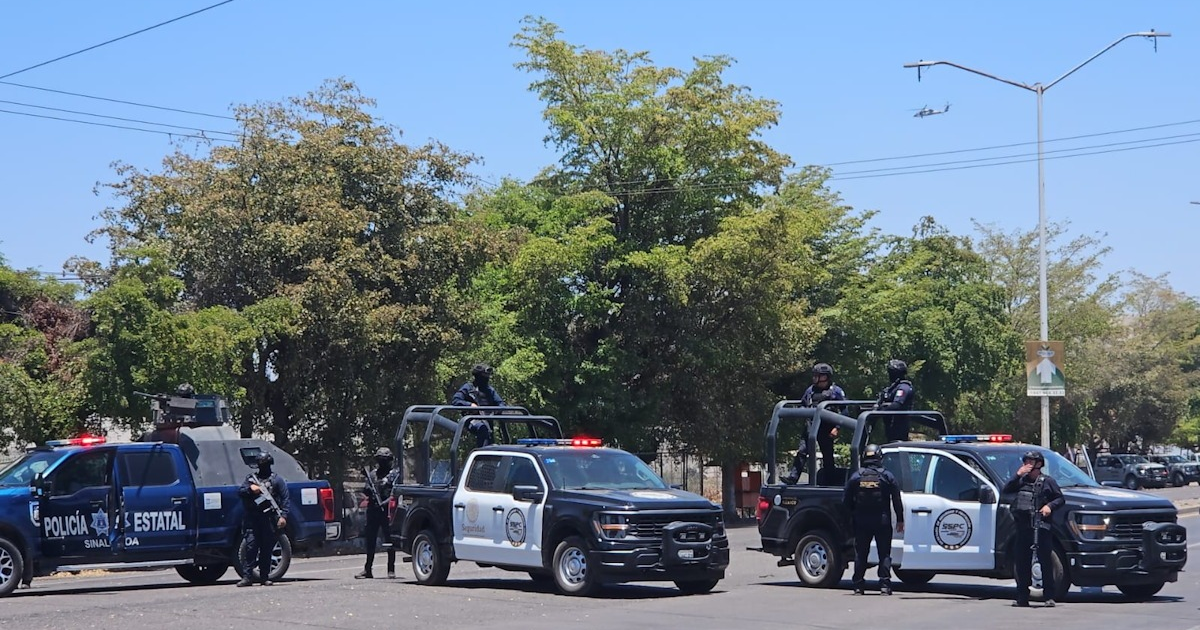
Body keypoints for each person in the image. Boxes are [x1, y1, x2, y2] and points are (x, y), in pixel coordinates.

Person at [1003, 450, 1065, 608]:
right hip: (1023, 527)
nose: (1027, 464)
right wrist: (1017, 475)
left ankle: (1049, 596)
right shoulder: (1021, 481)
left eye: (1031, 461)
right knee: (1022, 562)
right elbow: (1006, 490)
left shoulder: (1047, 481)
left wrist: (1049, 506)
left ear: (1038, 464)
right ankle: (1022, 597)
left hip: (1041, 527)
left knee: (1045, 560)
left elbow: (1060, 498)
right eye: (1026, 461)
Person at [843, 443, 904, 595]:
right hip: (882, 521)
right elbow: (897, 500)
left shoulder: (856, 476)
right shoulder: (887, 476)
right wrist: (900, 520)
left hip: (861, 521)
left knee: (861, 553)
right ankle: (884, 585)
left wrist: (851, 517)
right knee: (884, 553)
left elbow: (846, 501)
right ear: (880, 457)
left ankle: (858, 585)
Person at [237, 452, 289, 587]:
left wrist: (283, 516)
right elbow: (241, 491)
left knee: (266, 548)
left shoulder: (277, 480)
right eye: (261, 464)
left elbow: (285, 499)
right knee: (251, 547)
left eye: (264, 464)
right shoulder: (251, 479)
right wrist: (251, 488)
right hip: (253, 518)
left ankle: (264, 577)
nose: (262, 466)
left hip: (269, 518)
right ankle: (247, 577)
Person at [356, 447, 400, 579]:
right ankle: (367, 569)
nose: (382, 463)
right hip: (373, 511)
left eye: (385, 460)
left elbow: (395, 493)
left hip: (387, 511)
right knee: (370, 541)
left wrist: (386, 502)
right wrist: (370, 488)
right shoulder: (372, 475)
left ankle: (390, 569)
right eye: (381, 460)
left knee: (389, 541)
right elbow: (365, 491)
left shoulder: (394, 475)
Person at [799, 363, 847, 477]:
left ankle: (830, 479)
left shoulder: (835, 391)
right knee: (802, 450)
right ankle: (793, 477)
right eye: (814, 375)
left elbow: (845, 411)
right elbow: (803, 404)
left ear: (826, 377)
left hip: (827, 427)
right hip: (811, 425)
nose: (815, 377)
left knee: (827, 455)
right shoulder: (810, 390)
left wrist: (837, 428)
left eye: (818, 375)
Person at [450, 363, 506, 447]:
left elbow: (501, 403)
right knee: (483, 429)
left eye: (488, 376)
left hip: (488, 420)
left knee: (490, 437)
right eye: (484, 375)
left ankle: (489, 457)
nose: (487, 378)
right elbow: (456, 400)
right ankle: (481, 457)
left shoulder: (490, 390)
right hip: (472, 420)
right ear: (478, 375)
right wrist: (469, 405)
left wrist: (498, 410)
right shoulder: (468, 387)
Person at [874, 359, 915, 443]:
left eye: (891, 372)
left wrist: (880, 411)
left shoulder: (904, 387)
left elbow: (896, 405)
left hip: (899, 426)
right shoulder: (892, 388)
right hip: (890, 426)